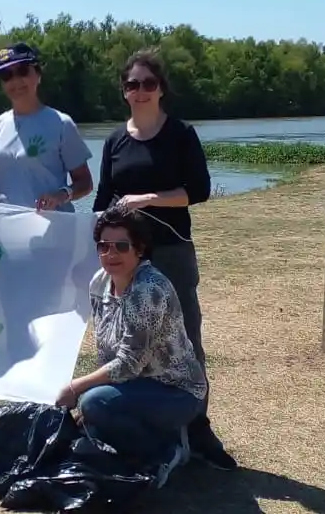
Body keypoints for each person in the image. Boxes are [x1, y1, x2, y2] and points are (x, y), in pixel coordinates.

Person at [91, 49, 238, 471]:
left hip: (171, 253)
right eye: (132, 84)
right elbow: (103, 200)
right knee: (126, 343)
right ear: (124, 91)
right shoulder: (114, 141)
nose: (140, 91)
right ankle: (147, 425)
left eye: (148, 84)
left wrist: (150, 200)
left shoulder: (180, 134)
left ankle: (198, 428)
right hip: (124, 259)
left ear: (161, 89)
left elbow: (200, 190)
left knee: (185, 340)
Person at [56, 205, 207, 487]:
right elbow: (107, 351)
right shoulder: (100, 283)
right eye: (103, 246)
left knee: (94, 402)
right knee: (93, 419)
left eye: (121, 246)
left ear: (139, 249)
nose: (111, 255)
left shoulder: (148, 290)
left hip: (175, 390)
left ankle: (167, 448)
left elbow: (128, 362)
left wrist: (77, 387)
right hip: (135, 385)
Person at [0, 43, 94, 211]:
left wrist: (61, 195)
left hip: (53, 231)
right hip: (5, 232)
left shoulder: (62, 124)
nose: (15, 81)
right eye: (6, 75)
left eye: (23, 71)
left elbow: (85, 183)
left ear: (38, 75)